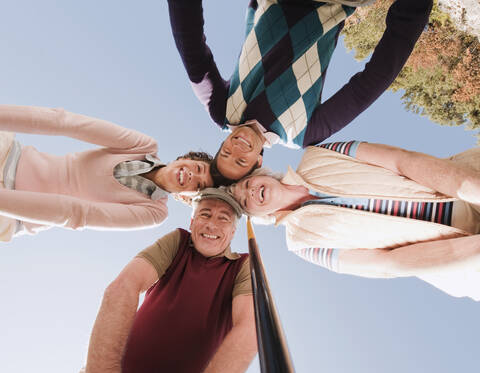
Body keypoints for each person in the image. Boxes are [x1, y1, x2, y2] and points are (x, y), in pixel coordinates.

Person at [168, 0, 432, 182]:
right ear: (257, 164)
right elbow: (368, 86)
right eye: (240, 161)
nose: (236, 148)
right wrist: (412, 11)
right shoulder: (302, 133)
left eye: (226, 152)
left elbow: (191, 48)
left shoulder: (222, 111)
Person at [229, 141, 480, 300]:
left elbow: (403, 160)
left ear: (261, 175)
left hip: (470, 180)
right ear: (258, 217)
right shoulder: (302, 244)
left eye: (247, 184)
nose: (250, 192)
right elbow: (388, 263)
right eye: (244, 201)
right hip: (465, 259)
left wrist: (475, 189)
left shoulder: (320, 153)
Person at [83, 188, 257, 373]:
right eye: (205, 215)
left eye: (223, 218)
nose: (211, 225)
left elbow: (249, 327)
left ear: (232, 232)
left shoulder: (241, 266)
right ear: (192, 223)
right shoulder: (178, 242)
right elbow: (124, 286)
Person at [0, 104, 214, 241]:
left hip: (14, 214)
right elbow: (67, 124)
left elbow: (77, 214)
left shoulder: (154, 212)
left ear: (186, 199)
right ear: (185, 158)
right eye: (198, 169)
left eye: (198, 186)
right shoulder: (144, 146)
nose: (192, 176)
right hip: (10, 157)